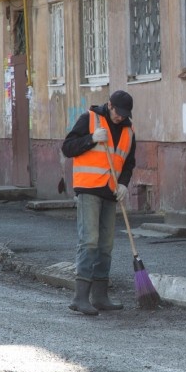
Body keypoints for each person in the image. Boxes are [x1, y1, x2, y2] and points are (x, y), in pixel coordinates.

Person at [61, 90, 137, 315]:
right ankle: (80, 297)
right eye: (117, 113)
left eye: (124, 115)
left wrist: (123, 184)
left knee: (105, 245)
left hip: (111, 191)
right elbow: (67, 147)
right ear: (110, 105)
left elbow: (129, 163)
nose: (120, 118)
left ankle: (100, 296)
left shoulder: (128, 131)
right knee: (90, 241)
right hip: (89, 188)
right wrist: (91, 139)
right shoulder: (90, 119)